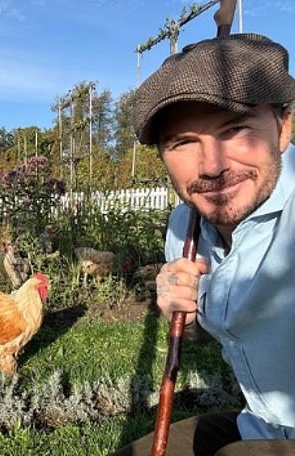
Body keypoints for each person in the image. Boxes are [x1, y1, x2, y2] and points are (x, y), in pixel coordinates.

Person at [112, 33, 295, 456]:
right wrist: (189, 320)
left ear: (284, 127)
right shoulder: (186, 227)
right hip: (259, 424)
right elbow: (218, 334)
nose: (212, 166)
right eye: (184, 142)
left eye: (235, 130)